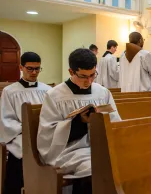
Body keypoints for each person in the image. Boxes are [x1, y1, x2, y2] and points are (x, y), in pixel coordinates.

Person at [37, 48, 121, 194]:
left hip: (100, 147)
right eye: (83, 76)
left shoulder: (102, 92)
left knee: (124, 160)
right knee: (93, 167)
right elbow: (47, 134)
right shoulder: (55, 95)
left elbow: (115, 122)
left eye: (92, 75)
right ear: (71, 72)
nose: (89, 81)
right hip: (70, 151)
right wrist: (79, 122)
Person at [0, 52, 52, 194]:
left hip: (44, 134)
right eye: (30, 69)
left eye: (37, 69)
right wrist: (28, 129)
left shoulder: (48, 90)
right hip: (20, 136)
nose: (34, 72)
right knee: (22, 153)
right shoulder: (10, 91)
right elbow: (6, 120)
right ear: (21, 68)